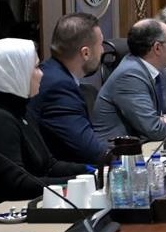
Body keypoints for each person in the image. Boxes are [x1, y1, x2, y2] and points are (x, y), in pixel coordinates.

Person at [0, 38, 90, 212]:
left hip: (17, 211)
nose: (42, 74)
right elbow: (16, 184)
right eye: (36, 68)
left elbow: (49, 166)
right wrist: (77, 182)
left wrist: (90, 171)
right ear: (14, 72)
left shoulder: (20, 110)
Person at [28, 13, 111, 165]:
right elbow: (92, 153)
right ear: (85, 53)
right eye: (100, 45)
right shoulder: (59, 87)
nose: (102, 51)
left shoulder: (51, 72)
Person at [93, 19, 166, 142]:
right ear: (157, 48)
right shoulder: (129, 76)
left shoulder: (161, 70)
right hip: (119, 150)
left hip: (150, 145)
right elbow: (155, 130)